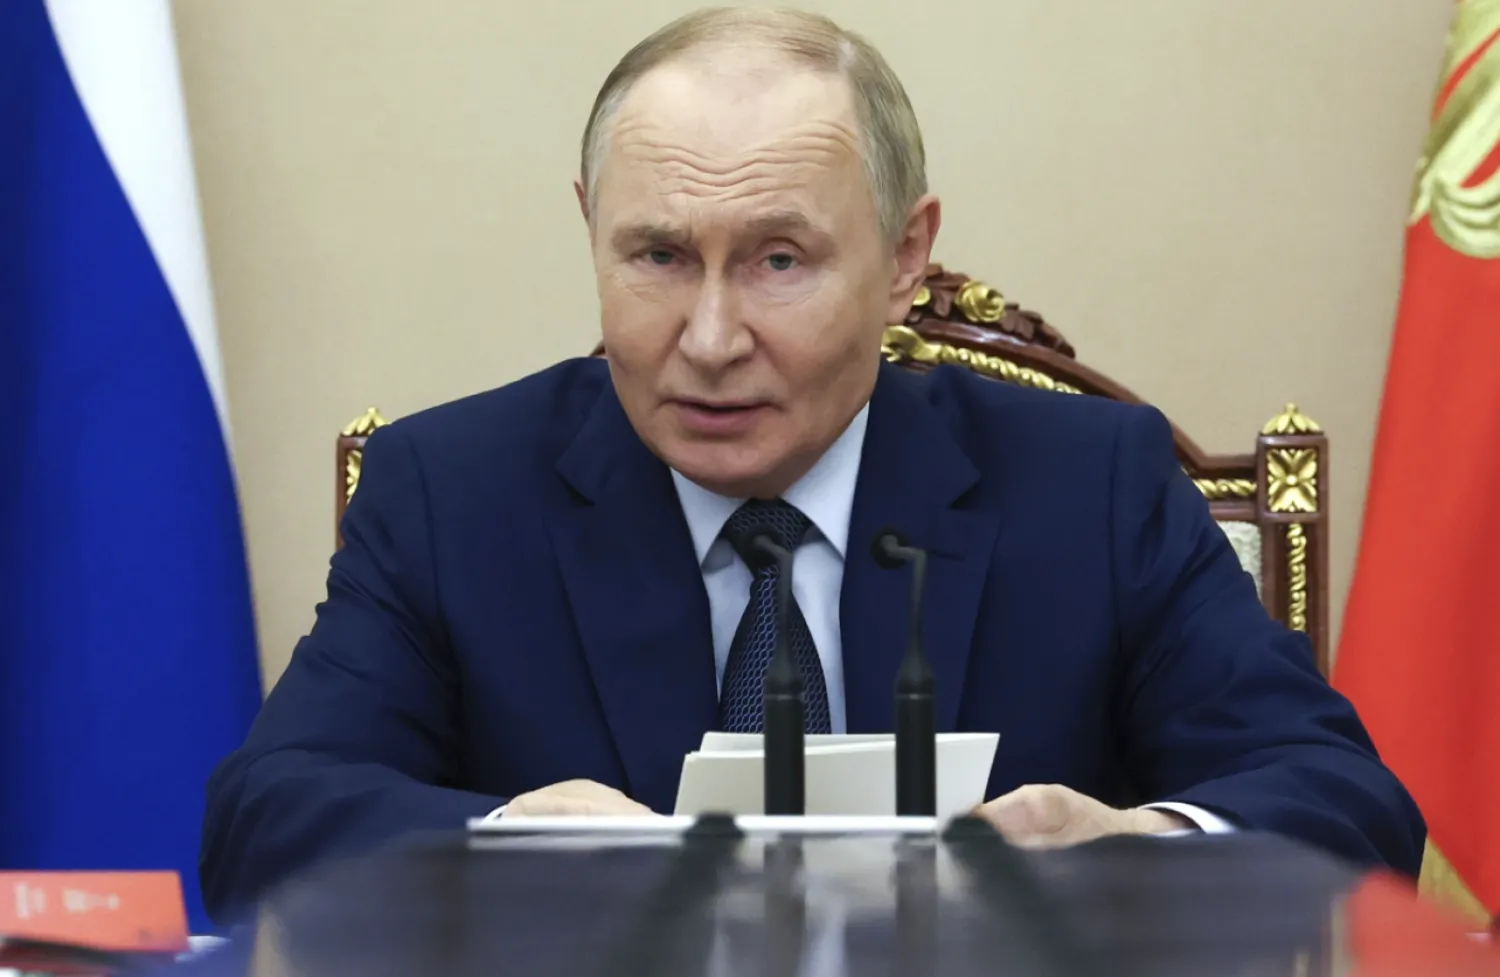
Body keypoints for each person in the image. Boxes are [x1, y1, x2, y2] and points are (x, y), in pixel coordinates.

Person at [199, 6, 1424, 920]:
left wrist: (1139, 846)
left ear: (905, 254)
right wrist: (510, 835)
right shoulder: (450, 492)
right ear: (590, 227)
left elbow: (1349, 804)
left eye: (780, 259)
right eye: (659, 255)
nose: (714, 337)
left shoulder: (1089, 485)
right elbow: (266, 818)